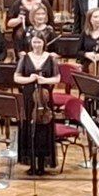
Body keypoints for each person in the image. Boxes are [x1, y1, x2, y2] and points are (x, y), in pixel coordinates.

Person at [14, 30, 60, 175]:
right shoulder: (25, 58)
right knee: (29, 127)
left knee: (43, 130)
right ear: (31, 43)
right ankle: (31, 163)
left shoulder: (50, 58)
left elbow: (57, 78)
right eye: (34, 42)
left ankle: (42, 164)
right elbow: (17, 77)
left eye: (39, 42)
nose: (36, 45)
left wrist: (44, 80)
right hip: (29, 98)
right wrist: (30, 79)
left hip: (44, 99)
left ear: (44, 43)